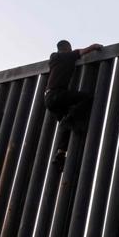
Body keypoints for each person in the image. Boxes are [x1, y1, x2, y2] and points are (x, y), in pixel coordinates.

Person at [45, 40, 102, 171]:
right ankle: (70, 118)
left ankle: (60, 153)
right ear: (67, 48)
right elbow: (82, 51)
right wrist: (94, 46)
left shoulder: (53, 58)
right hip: (58, 94)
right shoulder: (67, 56)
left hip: (48, 98)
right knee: (87, 98)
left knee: (66, 128)